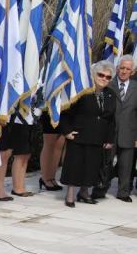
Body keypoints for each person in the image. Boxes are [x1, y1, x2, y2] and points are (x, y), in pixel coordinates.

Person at [59, 61, 117, 207]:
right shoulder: (82, 91)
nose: (104, 78)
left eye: (108, 77)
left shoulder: (110, 94)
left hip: (98, 137)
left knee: (91, 167)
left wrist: (109, 139)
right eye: (101, 75)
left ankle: (84, 193)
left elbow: (110, 119)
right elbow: (65, 112)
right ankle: (70, 194)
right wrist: (66, 131)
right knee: (74, 166)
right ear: (93, 74)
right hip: (79, 135)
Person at [94, 54, 137, 202]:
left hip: (129, 133)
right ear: (117, 68)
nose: (124, 71)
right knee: (105, 163)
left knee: (126, 166)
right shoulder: (108, 84)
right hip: (109, 133)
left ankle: (123, 193)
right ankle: (100, 190)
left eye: (128, 69)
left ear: (132, 72)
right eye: (122, 68)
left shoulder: (136, 87)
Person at [39, 108, 65, 192]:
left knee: (59, 144)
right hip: (50, 107)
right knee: (49, 144)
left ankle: (52, 177)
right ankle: (45, 178)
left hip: (64, 109)